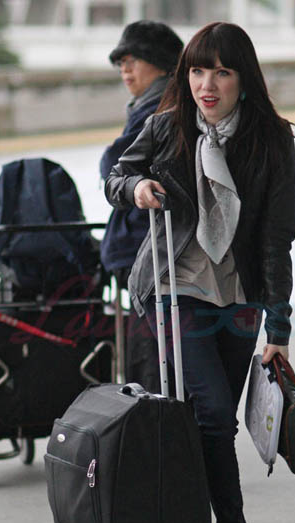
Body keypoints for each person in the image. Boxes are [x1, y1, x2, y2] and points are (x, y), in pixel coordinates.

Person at [105, 22, 295, 523]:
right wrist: (137, 187)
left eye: (221, 72)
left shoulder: (271, 140)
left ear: (244, 78)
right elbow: (116, 176)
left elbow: (276, 238)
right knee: (213, 414)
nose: (206, 85)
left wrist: (279, 325)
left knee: (214, 424)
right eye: (196, 71)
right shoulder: (168, 125)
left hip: (237, 296)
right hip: (176, 285)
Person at [100, 20, 183, 391]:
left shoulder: (161, 109)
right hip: (143, 256)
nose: (125, 70)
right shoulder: (147, 105)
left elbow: (114, 166)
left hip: (150, 257)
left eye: (132, 60)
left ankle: (158, 428)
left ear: (161, 63)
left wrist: (114, 160)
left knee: (152, 364)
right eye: (120, 63)